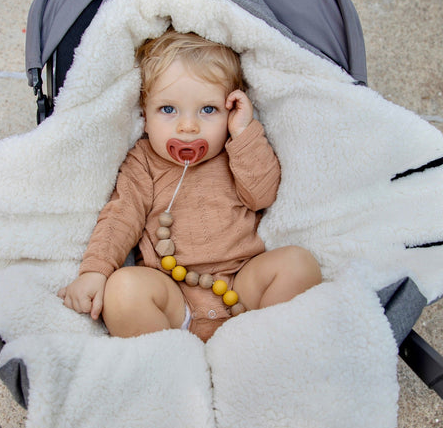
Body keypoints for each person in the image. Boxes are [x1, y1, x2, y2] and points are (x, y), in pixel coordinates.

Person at [58, 30, 321, 341]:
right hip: (172, 299)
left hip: (240, 287)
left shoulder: (234, 151)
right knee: (123, 289)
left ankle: (260, 348)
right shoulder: (142, 161)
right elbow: (120, 217)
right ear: (145, 114)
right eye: (168, 110)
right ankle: (172, 365)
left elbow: (262, 195)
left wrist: (244, 133)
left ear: (230, 111)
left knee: (298, 263)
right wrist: (95, 271)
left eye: (208, 110)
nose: (187, 126)